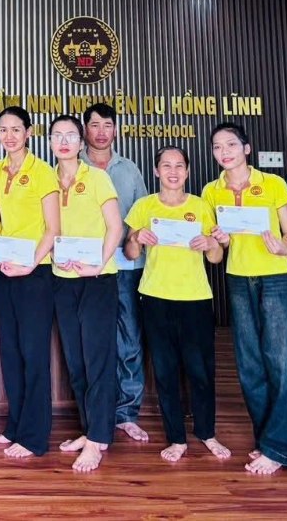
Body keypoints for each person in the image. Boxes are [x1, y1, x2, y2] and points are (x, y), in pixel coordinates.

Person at [202, 122, 287, 475]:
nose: (224, 151)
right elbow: (223, 242)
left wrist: (283, 246)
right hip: (237, 279)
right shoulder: (211, 191)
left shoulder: (273, 184)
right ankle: (267, 441)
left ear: (246, 149)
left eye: (231, 144)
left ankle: (281, 449)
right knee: (249, 366)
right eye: (217, 146)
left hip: (277, 277)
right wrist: (221, 237)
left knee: (281, 362)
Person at [124, 146, 230, 463]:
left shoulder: (200, 206)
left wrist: (212, 243)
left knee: (201, 370)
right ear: (155, 171)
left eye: (179, 165)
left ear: (187, 171)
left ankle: (207, 432)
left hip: (195, 297)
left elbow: (216, 257)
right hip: (154, 297)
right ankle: (176, 438)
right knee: (166, 370)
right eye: (166, 165)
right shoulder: (144, 207)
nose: (173, 171)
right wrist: (135, 238)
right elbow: (131, 254)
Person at [49, 115, 123, 472]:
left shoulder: (97, 177)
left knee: (98, 361)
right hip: (62, 279)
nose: (64, 141)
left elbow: (116, 227)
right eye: (57, 136)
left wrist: (99, 263)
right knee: (75, 362)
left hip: (97, 279)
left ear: (82, 143)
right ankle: (88, 428)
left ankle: (98, 439)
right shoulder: (46, 180)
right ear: (49, 142)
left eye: (71, 136)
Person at [0, 106, 60, 458]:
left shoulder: (44, 172)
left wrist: (30, 264)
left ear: (28, 133)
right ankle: (15, 425)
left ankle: (34, 436)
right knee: (12, 354)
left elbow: (53, 228)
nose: (10, 135)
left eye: (17, 129)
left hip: (35, 273)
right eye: (4, 129)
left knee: (34, 354)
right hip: (4, 271)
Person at [80, 103, 150, 443]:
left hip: (124, 267)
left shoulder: (129, 169)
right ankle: (96, 414)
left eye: (107, 124)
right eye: (94, 125)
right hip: (83, 269)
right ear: (85, 131)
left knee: (129, 340)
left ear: (116, 130)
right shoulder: (71, 166)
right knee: (92, 343)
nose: (101, 131)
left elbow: (141, 216)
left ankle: (127, 413)